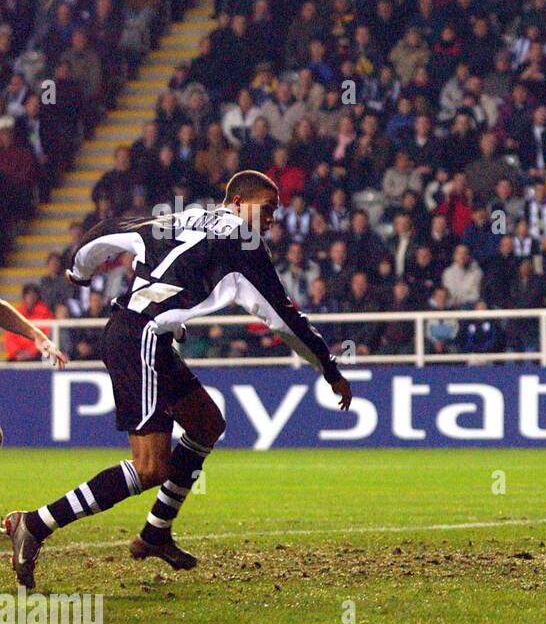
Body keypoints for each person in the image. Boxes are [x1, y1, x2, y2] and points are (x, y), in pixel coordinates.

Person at [4, 171, 352, 589]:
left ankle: (156, 532)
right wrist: (329, 369)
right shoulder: (244, 241)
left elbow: (111, 230)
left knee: (207, 423)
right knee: (151, 466)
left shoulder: (185, 218)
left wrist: (80, 271)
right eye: (267, 208)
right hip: (142, 336)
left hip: (139, 332)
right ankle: (36, 523)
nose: (272, 218)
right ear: (238, 203)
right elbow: (284, 317)